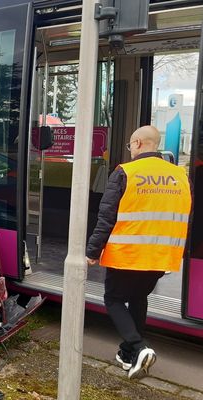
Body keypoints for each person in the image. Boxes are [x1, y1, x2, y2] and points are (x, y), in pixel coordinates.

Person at [86, 125, 192, 379]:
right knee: (138, 298)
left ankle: (139, 346)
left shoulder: (125, 172)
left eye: (130, 145)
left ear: (138, 143)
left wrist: (92, 250)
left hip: (128, 253)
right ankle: (128, 355)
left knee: (113, 299)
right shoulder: (180, 175)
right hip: (161, 255)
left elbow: (106, 216)